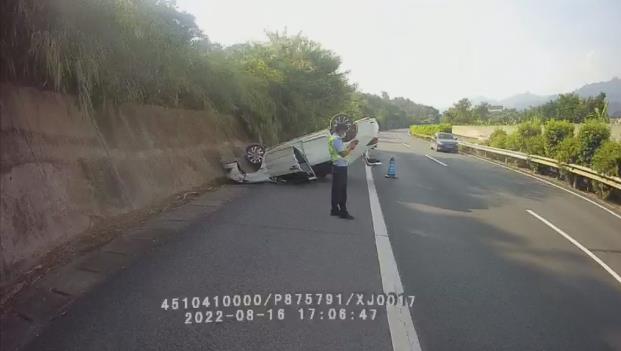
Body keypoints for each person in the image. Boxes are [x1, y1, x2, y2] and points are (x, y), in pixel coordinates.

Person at [328, 124, 358, 219]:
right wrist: (351, 147)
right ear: (340, 130)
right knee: (341, 191)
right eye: (345, 130)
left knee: (336, 190)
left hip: (337, 165)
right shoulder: (336, 139)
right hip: (340, 167)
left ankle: (334, 210)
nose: (345, 133)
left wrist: (349, 146)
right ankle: (343, 212)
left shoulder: (333, 138)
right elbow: (343, 154)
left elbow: (339, 151)